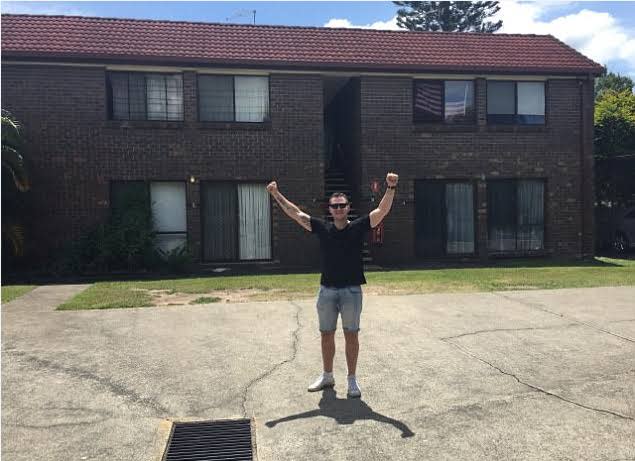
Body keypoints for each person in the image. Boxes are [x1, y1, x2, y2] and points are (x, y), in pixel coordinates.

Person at [266, 172, 399, 398]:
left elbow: (382, 211)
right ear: (329, 209)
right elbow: (295, 213)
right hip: (326, 291)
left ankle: (352, 380)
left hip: (351, 292)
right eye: (334, 206)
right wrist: (276, 194)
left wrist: (391, 187)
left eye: (342, 205)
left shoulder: (358, 227)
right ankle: (327, 376)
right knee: (326, 334)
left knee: (351, 335)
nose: (338, 209)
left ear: (348, 208)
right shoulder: (322, 228)